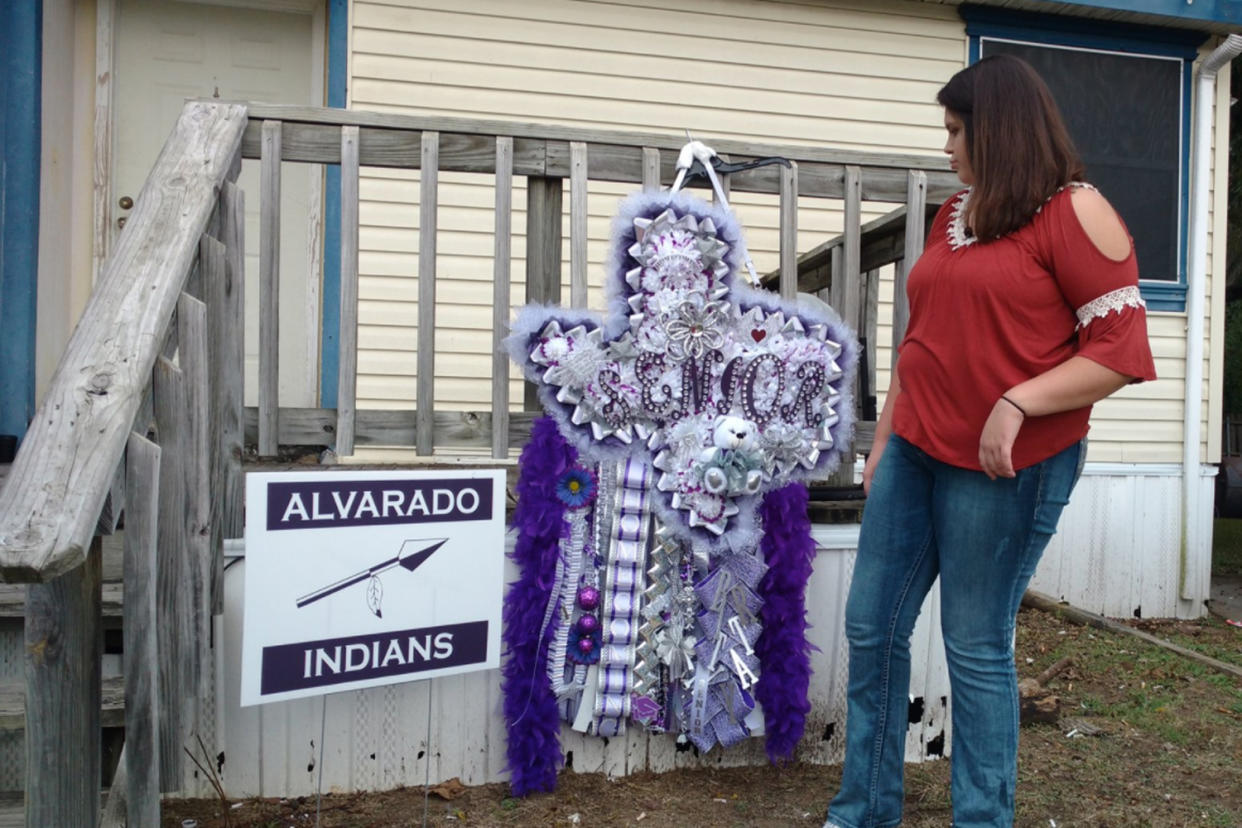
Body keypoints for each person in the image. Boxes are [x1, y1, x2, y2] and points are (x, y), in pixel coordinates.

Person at [824, 54, 1157, 828]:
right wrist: (885, 440)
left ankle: (982, 817)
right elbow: (923, 336)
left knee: (974, 645)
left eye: (954, 130)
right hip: (915, 447)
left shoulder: (1076, 212)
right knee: (872, 626)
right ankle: (864, 812)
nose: (945, 147)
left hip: (1006, 464)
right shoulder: (953, 214)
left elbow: (1119, 351)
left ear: (997, 130)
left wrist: (1018, 400)